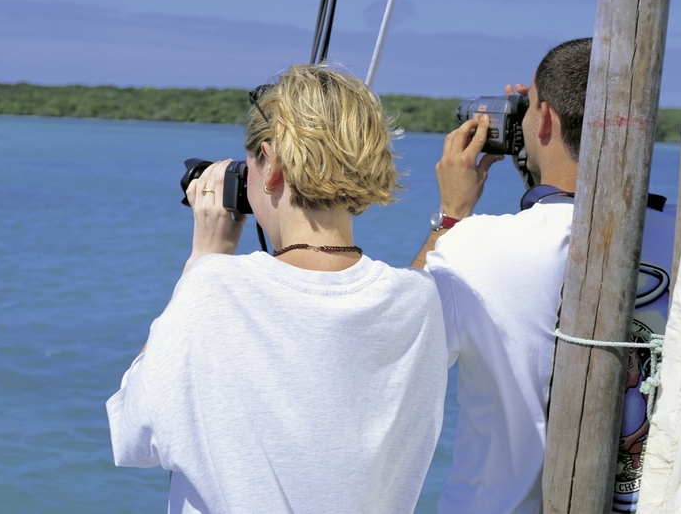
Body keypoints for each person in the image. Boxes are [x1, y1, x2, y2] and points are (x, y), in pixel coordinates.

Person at [108, 63, 448, 514]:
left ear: (270, 165)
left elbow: (131, 434)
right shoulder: (419, 300)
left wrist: (203, 257)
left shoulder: (213, 287)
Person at [411, 38, 591, 514]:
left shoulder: (476, 246)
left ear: (545, 120)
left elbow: (399, 342)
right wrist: (540, 171)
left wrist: (451, 215)